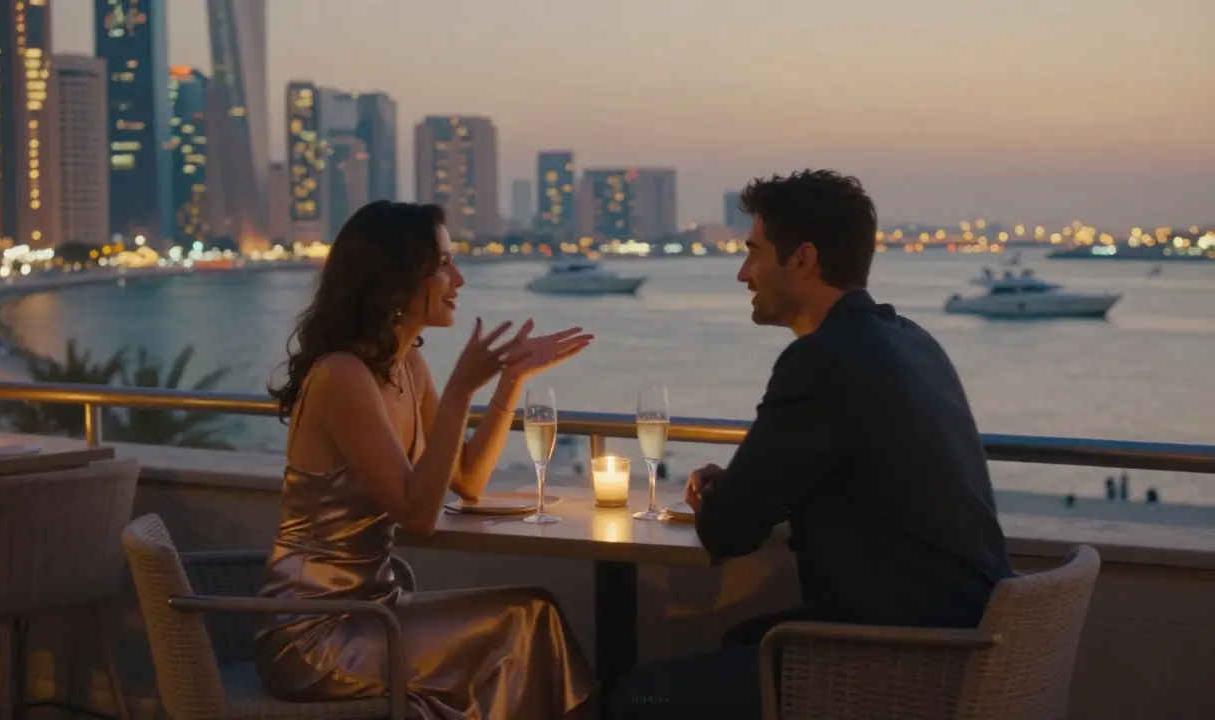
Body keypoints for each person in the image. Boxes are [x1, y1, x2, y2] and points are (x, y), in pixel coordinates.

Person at [608, 171, 1013, 719]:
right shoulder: (911, 341)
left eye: (753, 252)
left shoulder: (822, 361)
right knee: (746, 640)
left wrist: (718, 495)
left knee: (638, 700)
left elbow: (727, 530)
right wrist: (743, 490)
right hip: (970, 645)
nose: (742, 274)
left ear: (801, 259)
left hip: (901, 665)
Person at [258, 201, 597, 719]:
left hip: (375, 611)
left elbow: (468, 480)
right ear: (393, 279)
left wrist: (510, 380)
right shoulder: (341, 376)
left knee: (535, 614)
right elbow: (418, 515)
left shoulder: (405, 363)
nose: (457, 278)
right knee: (524, 624)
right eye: (442, 264)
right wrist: (462, 386)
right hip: (315, 632)